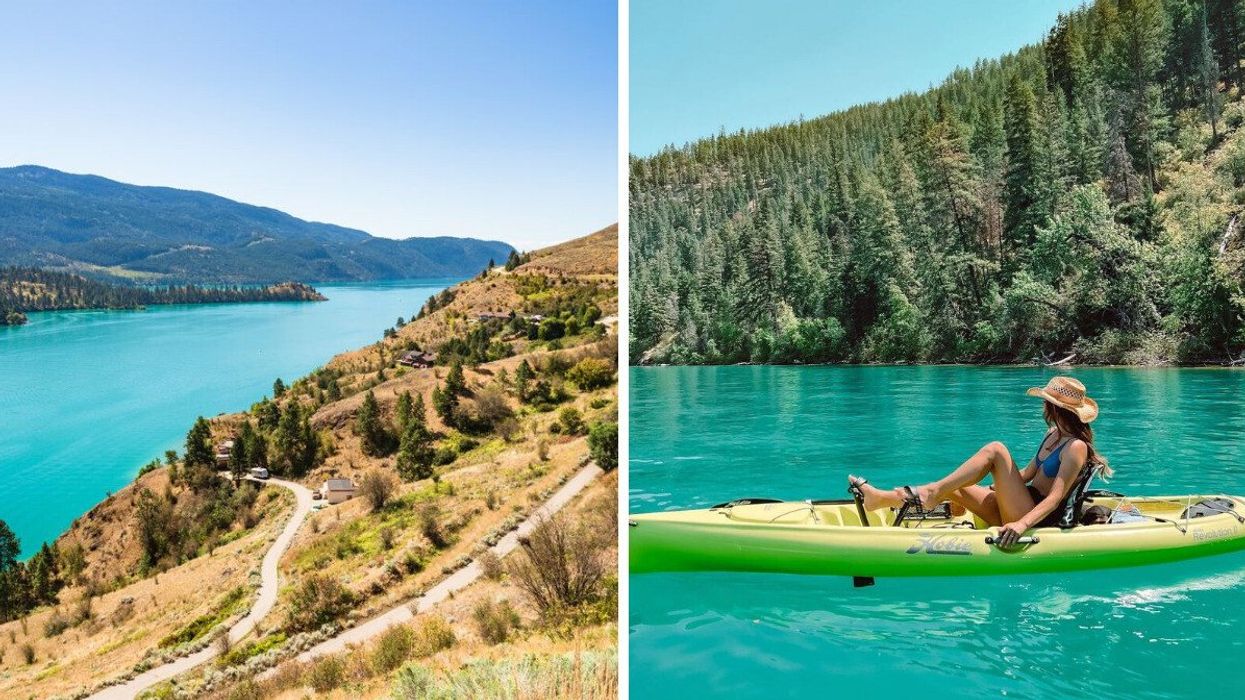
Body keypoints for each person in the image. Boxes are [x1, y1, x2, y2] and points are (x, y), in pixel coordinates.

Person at [848, 376, 1111, 546]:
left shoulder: (1075, 447)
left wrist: (1021, 525)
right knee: (957, 486)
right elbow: (1027, 474)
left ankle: (931, 494)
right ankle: (881, 499)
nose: (1042, 405)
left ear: (1053, 407)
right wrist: (992, 488)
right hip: (1019, 503)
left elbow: (1055, 498)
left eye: (1045, 401)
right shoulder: (1053, 434)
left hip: (1036, 517)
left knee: (997, 450)